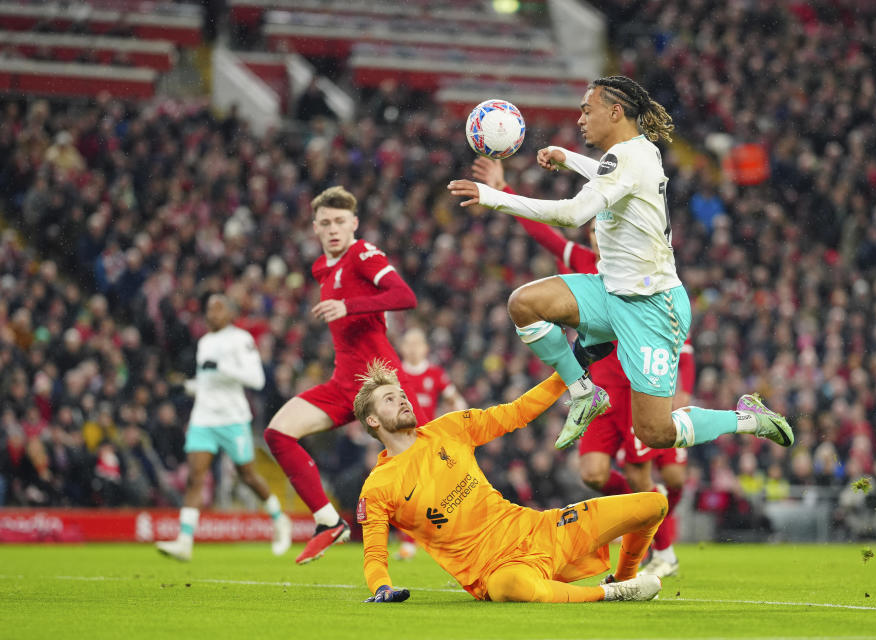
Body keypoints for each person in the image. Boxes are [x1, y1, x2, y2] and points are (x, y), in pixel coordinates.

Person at [448, 75, 793, 456]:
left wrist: (494, 197)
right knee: (523, 304)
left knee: (656, 432)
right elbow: (611, 175)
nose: (580, 119)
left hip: (653, 308)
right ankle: (584, 393)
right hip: (612, 292)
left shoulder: (630, 157)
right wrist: (571, 159)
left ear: (615, 112)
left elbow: (574, 214)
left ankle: (749, 418)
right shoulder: (636, 152)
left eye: (586, 110)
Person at [472, 156, 689, 578]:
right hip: (599, 385)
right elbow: (541, 232)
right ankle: (643, 527)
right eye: (591, 229)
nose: (595, 234)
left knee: (639, 472)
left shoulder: (641, 270)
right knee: (593, 475)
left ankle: (657, 551)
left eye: (599, 227)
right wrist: (503, 191)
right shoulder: (580, 261)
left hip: (634, 383)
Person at [355, 360, 666, 603]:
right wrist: (382, 587)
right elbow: (375, 553)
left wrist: (565, 375)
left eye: (402, 395)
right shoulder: (379, 487)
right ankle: (610, 595)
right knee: (511, 586)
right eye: (389, 399)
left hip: (540, 529)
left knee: (653, 504)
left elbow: (515, 413)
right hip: (495, 570)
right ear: (373, 420)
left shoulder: (448, 428)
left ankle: (624, 579)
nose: (402, 400)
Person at [263, 186, 427, 565]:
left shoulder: (362, 254)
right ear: (315, 228)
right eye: (325, 223)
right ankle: (327, 521)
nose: (333, 228)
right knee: (277, 433)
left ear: (354, 223)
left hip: (379, 379)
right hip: (344, 384)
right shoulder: (323, 268)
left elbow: (404, 296)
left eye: (340, 221)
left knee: (422, 470)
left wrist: (348, 306)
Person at [156, 294, 291, 561]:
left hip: (233, 418)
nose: (211, 313)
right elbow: (208, 382)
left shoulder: (241, 340)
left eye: (217, 308)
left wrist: (223, 366)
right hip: (204, 417)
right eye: (208, 309)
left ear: (230, 313)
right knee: (195, 476)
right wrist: (187, 387)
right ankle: (184, 541)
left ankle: (279, 519)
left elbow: (256, 379)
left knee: (247, 475)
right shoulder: (205, 342)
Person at [394, 326, 467, 560]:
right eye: (409, 343)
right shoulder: (394, 375)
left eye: (418, 344)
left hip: (427, 439)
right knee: (404, 492)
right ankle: (409, 542)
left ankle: (447, 537)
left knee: (433, 491)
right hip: (399, 440)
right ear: (402, 348)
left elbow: (455, 399)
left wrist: (464, 422)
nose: (413, 349)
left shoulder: (435, 374)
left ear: (425, 348)